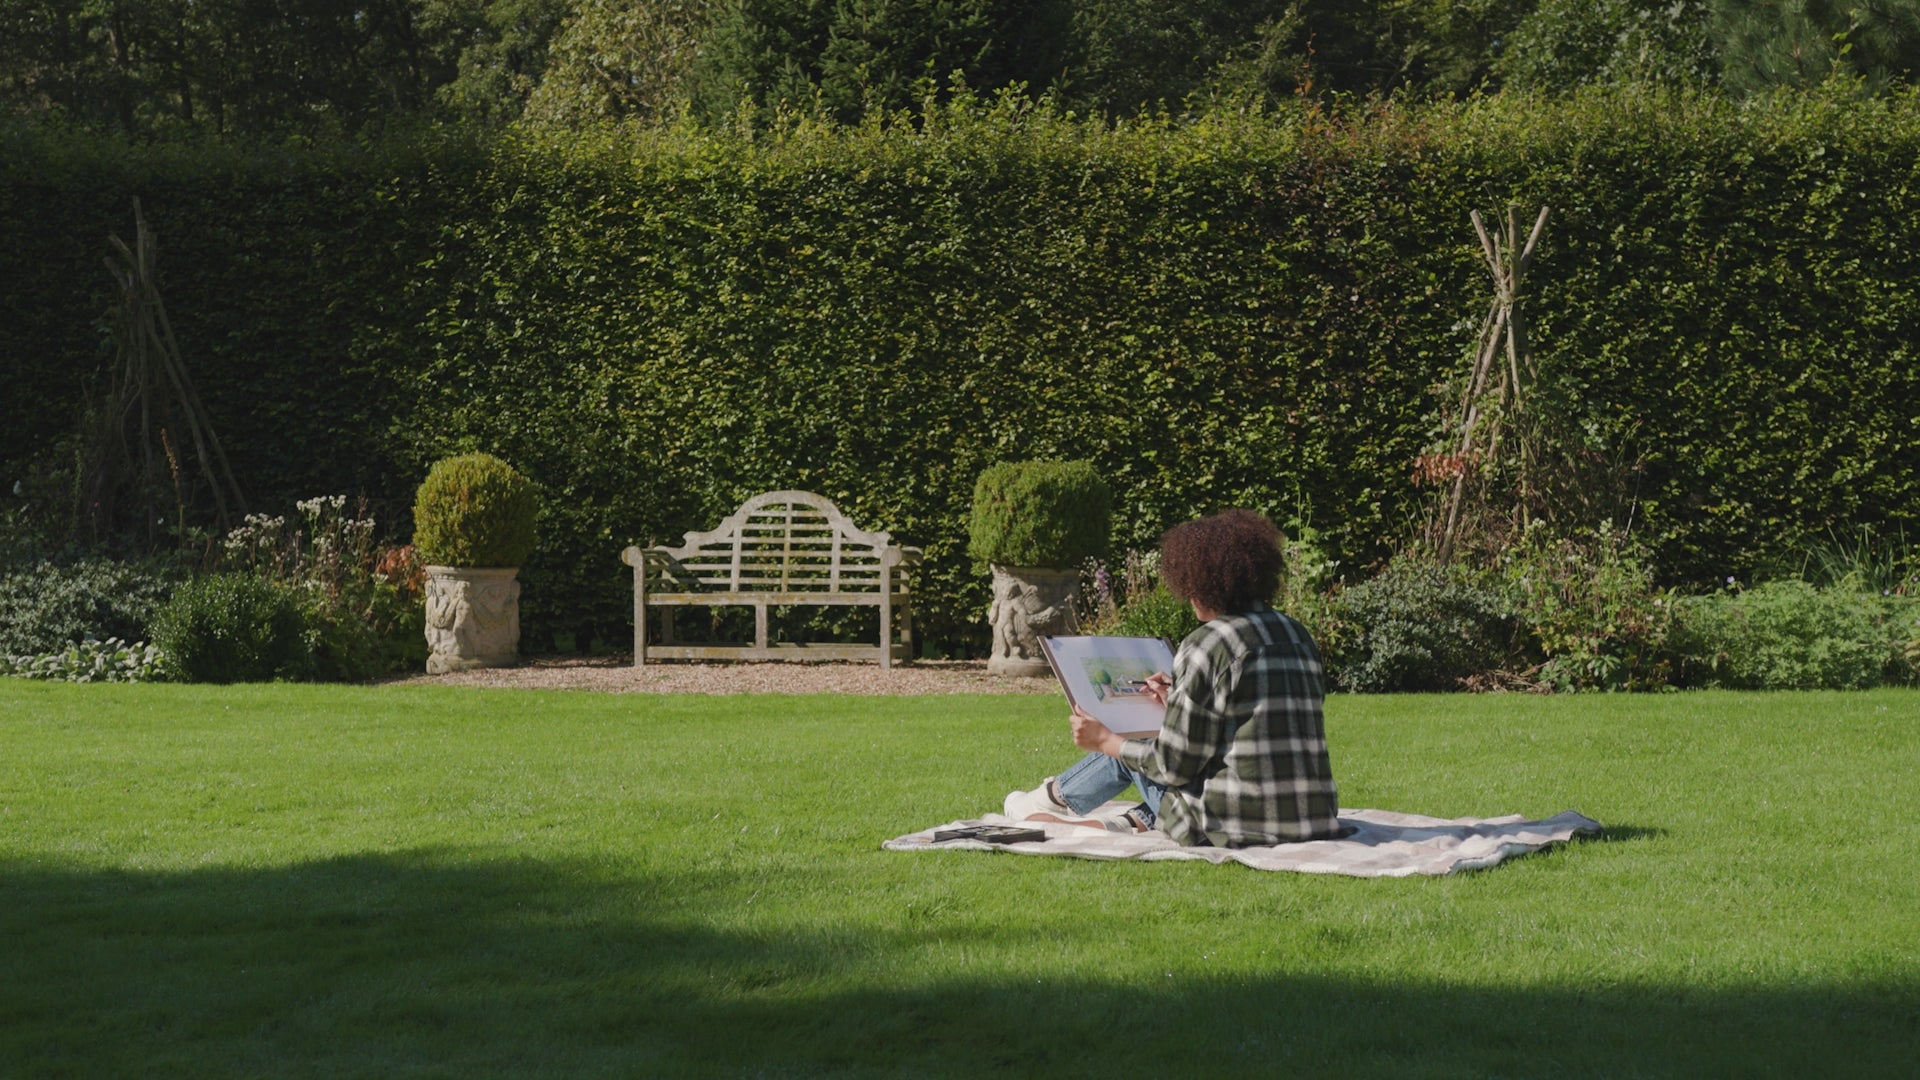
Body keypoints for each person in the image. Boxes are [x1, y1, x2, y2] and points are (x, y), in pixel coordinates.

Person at [1003, 509, 1341, 847]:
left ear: (1199, 583)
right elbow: (1257, 723)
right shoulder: (1298, 635)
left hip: (1231, 826)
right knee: (1151, 745)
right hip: (1312, 818)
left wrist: (1106, 740)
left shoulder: (1207, 643)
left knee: (1140, 746)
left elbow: (1172, 766)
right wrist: (1179, 697)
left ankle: (1050, 798)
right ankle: (1132, 819)